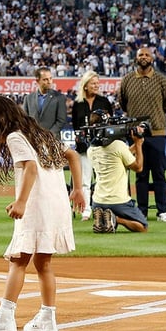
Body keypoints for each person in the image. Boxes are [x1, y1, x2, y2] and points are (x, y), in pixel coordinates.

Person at [0, 94, 85, 331]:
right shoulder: (40, 134)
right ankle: (48, 320)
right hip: (56, 206)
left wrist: (21, 202)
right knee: (43, 263)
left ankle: (5, 318)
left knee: (18, 260)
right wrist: (77, 189)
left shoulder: (15, 136)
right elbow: (73, 155)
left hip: (37, 206)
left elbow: (31, 168)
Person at [118, 47, 166, 223]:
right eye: (140, 55)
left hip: (157, 131)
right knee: (140, 173)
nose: (143, 57)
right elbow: (123, 104)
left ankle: (162, 211)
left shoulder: (161, 80)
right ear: (136, 58)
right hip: (135, 133)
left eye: (147, 55)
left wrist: (155, 117)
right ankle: (141, 211)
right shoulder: (127, 79)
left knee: (159, 172)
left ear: (152, 58)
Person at [87, 110, 148, 233]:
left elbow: (119, 156)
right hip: (118, 201)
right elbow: (138, 167)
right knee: (143, 227)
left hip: (98, 201)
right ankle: (116, 219)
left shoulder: (91, 149)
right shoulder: (118, 145)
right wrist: (138, 144)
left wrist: (136, 144)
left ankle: (103, 218)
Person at [71, 71, 113, 221]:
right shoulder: (78, 103)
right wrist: (78, 138)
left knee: (103, 179)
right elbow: (76, 125)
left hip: (102, 146)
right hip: (84, 147)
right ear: (86, 85)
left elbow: (110, 122)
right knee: (85, 180)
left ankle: (104, 208)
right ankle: (86, 210)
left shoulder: (104, 101)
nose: (96, 86)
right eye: (93, 83)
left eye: (97, 83)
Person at [22, 67, 66, 139]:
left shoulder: (59, 97)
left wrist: (49, 135)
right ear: (37, 80)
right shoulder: (28, 98)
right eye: (45, 79)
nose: (49, 82)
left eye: (50, 78)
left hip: (52, 140)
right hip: (33, 139)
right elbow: (24, 120)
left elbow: (61, 121)